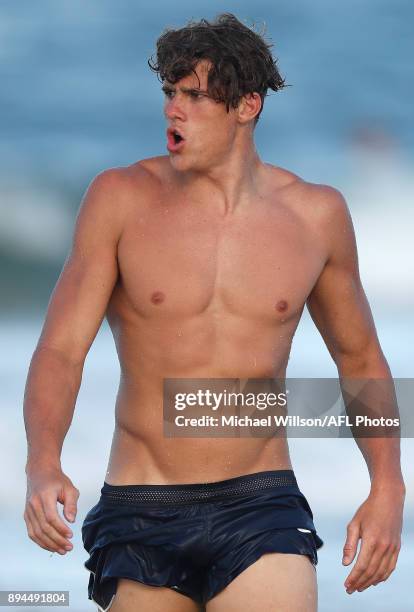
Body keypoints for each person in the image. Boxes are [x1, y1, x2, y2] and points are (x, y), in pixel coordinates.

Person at [23, 13, 405, 612]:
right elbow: (62, 350)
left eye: (196, 96)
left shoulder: (314, 216)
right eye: (171, 93)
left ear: (247, 105)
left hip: (261, 504)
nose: (174, 109)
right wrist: (42, 465)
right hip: (141, 503)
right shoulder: (119, 199)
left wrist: (387, 487)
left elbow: (360, 358)